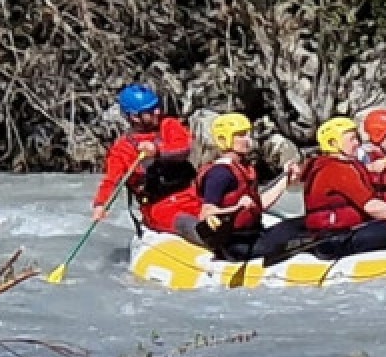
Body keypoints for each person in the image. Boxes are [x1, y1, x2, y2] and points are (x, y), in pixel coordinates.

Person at [93, 83, 202, 239]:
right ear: (134, 117)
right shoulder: (122, 149)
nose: (157, 112)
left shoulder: (169, 125)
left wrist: (157, 152)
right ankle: (207, 236)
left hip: (193, 194)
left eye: (156, 107)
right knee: (186, 223)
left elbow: (183, 149)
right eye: (149, 111)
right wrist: (100, 204)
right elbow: (111, 181)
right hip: (160, 207)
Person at [195, 112, 307, 261]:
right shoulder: (220, 174)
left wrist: (286, 179)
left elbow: (260, 204)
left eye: (248, 134)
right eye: (241, 135)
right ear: (224, 140)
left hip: (254, 235)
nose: (248, 139)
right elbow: (206, 214)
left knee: (305, 222)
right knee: (298, 230)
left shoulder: (244, 168)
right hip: (236, 245)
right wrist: (236, 208)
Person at [301, 117, 386, 259]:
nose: (357, 143)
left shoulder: (349, 165)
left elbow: (373, 190)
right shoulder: (334, 169)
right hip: (334, 238)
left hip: (349, 231)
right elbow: (371, 207)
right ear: (333, 143)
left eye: (357, 138)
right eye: (352, 139)